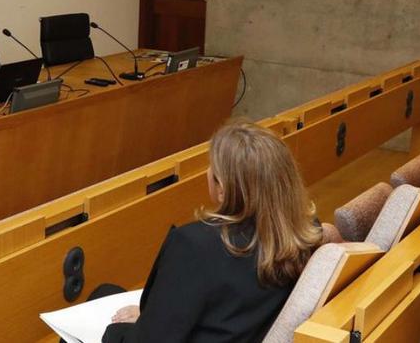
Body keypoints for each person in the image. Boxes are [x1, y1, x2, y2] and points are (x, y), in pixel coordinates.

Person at [101, 121, 323, 342]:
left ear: (223, 189)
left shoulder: (195, 246)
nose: (208, 171)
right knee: (107, 291)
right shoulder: (306, 231)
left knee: (102, 311)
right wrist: (152, 314)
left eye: (212, 166)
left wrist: (117, 333)